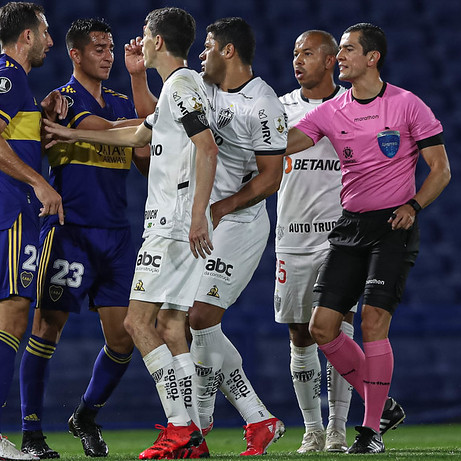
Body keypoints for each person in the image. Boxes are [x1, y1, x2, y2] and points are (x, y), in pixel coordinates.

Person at [43, 7, 218, 459]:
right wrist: (65, 131)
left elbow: (207, 148)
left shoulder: (180, 88)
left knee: (136, 323)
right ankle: (194, 432)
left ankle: (178, 428)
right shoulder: (182, 89)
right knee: (172, 324)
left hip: (172, 224)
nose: (138, 39)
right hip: (182, 225)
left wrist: (198, 214)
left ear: (159, 41)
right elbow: (139, 136)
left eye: (145, 33)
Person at [285, 23, 451, 454]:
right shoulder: (331, 110)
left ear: (372, 57)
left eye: (347, 50)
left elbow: (441, 169)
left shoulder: (406, 104)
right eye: (338, 50)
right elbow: (286, 144)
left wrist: (413, 206)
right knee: (322, 327)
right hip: (350, 226)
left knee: (373, 323)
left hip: (393, 227)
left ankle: (371, 430)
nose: (339, 57)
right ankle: (384, 405)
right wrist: (239, 140)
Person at [17, 17, 151, 459]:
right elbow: (111, 128)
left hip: (116, 235)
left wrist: (138, 84)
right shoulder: (61, 103)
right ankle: (32, 433)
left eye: (110, 47)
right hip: (70, 233)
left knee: (123, 339)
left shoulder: (118, 100)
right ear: (75, 54)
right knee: (45, 330)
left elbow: (147, 161)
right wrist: (149, 127)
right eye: (98, 48)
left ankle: (86, 415)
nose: (108, 55)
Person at [185, 17, 287, 457]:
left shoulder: (262, 103)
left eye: (207, 46)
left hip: (241, 226)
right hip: (208, 224)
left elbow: (272, 178)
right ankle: (257, 419)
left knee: (200, 317)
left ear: (228, 51)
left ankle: (201, 420)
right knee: (197, 322)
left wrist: (223, 207)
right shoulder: (204, 91)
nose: (200, 54)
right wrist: (136, 75)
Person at [0, 3, 61, 461]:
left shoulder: (7, 81)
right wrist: (40, 181)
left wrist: (37, 113)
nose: (50, 41)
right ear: (26, 35)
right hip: (8, 213)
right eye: (45, 32)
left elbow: (5, 131)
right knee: (11, 319)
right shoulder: (7, 75)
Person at [274, 29, 355, 453]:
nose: (297, 60)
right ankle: (311, 428)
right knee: (300, 335)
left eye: (307, 53)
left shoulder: (350, 107)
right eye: (294, 53)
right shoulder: (280, 108)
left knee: (337, 329)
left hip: (340, 237)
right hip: (291, 236)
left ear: (329, 61)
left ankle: (338, 428)